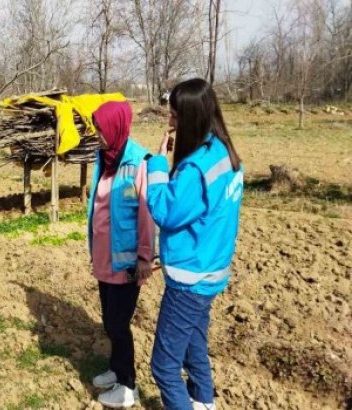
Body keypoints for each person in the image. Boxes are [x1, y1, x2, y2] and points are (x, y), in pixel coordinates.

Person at [147, 78, 243, 410]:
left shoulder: (196, 169)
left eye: (174, 116)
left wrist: (158, 166)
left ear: (190, 118)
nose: (170, 122)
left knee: (163, 367)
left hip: (190, 279)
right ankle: (203, 402)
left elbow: (165, 211)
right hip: (213, 273)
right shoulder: (225, 153)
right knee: (194, 347)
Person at [86, 101, 155, 408]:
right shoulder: (104, 158)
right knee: (109, 320)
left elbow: (147, 214)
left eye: (100, 128)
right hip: (103, 257)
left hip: (126, 263)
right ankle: (116, 369)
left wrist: (145, 257)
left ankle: (128, 386)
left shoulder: (139, 162)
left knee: (118, 323)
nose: (96, 134)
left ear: (115, 127)